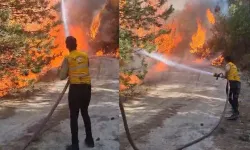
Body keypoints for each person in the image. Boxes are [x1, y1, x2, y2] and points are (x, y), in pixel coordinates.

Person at [59, 36, 94, 150]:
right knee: (85, 112)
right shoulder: (84, 55)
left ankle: (75, 145)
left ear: (67, 45)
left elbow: (62, 76)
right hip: (87, 88)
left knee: (74, 116)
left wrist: (66, 71)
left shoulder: (68, 58)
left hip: (75, 90)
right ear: (76, 44)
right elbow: (85, 68)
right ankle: (90, 140)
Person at [224, 56, 241, 120]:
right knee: (235, 98)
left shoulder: (228, 64)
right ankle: (235, 111)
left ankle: (235, 113)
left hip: (232, 83)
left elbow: (226, 72)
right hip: (238, 83)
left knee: (229, 96)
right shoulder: (234, 65)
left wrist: (225, 76)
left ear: (226, 60)